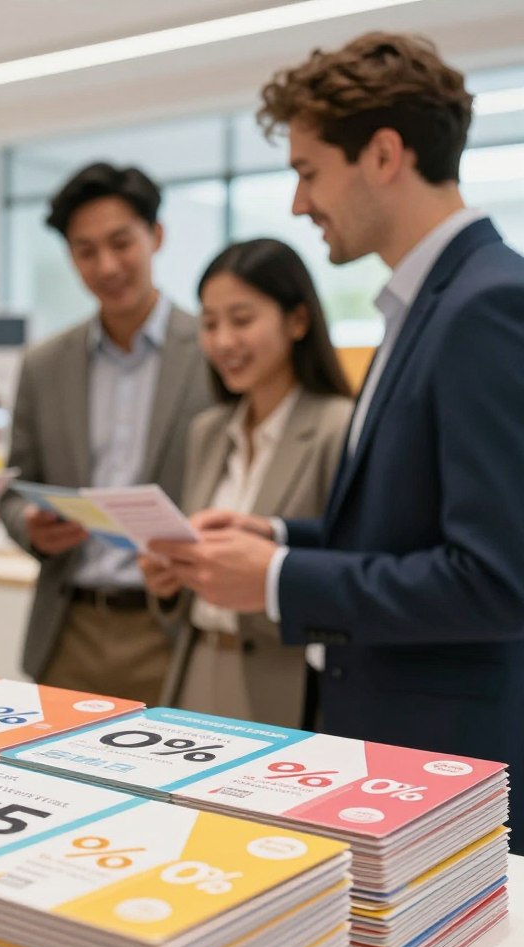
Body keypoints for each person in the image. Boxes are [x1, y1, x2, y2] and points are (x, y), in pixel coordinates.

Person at [151, 33, 524, 851]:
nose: (297, 203)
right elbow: (405, 533)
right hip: (398, 746)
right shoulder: (423, 305)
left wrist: (280, 578)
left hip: (449, 762)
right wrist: (276, 537)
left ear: (384, 154)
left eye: (308, 171)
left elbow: (496, 580)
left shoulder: (482, 308)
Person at [0, 162, 212, 705]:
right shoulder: (44, 365)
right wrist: (28, 524)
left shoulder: (214, 354)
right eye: (85, 250)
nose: (106, 265)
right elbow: (13, 487)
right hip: (69, 627)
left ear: (155, 236)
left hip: (175, 624)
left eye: (121, 242)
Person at [139, 239, 352, 727]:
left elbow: (339, 574)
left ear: (298, 320)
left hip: (284, 681)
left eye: (241, 319)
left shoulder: (337, 428)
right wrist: (171, 581)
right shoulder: (208, 432)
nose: (223, 341)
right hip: (194, 670)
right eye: (210, 323)